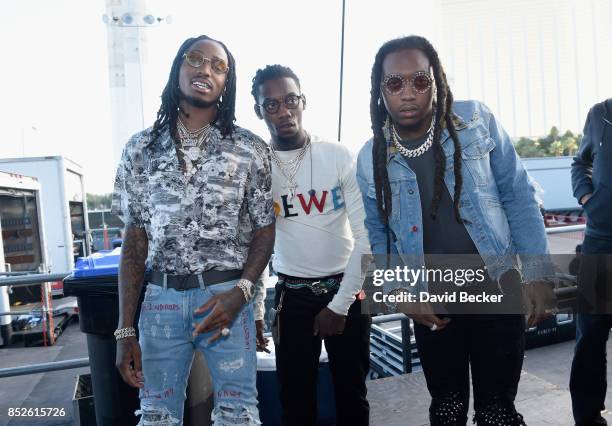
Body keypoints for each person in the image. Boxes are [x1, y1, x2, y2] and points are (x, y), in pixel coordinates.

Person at [356, 35, 556, 426]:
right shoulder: (370, 158)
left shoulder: (475, 121)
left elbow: (518, 194)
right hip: (435, 300)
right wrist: (399, 294)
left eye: (420, 80)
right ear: (380, 91)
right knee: (447, 411)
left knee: (497, 413)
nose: (408, 92)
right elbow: (378, 235)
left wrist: (538, 275)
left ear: (437, 81)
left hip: (498, 286)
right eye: (395, 83)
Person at [111, 35, 275, 425]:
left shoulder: (250, 149)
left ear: (227, 84)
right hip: (160, 303)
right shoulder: (141, 148)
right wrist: (124, 330)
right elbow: (134, 244)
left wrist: (243, 295)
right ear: (178, 69)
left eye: (219, 66)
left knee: (239, 416)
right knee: (155, 417)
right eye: (196, 59)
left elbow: (265, 232)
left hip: (226, 298)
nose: (205, 70)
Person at [251, 64, 371, 426]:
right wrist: (257, 309)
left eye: (290, 100)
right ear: (259, 111)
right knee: (295, 400)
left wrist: (339, 305)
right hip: (293, 297)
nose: (284, 111)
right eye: (271, 104)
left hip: (347, 291)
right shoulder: (257, 167)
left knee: (352, 393)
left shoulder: (336, 155)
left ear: (304, 101)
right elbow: (256, 244)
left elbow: (366, 237)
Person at [570, 98, 612, 426]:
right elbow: (579, 163)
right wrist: (588, 198)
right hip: (600, 242)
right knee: (590, 336)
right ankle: (587, 417)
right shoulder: (601, 113)